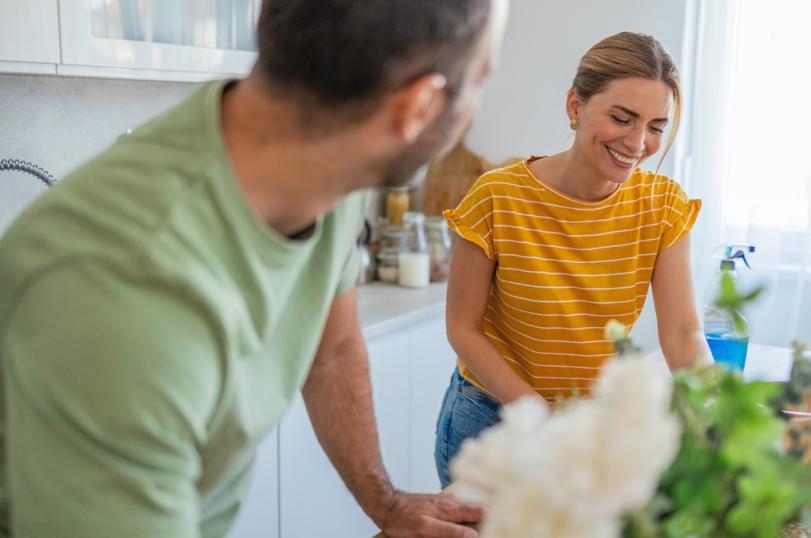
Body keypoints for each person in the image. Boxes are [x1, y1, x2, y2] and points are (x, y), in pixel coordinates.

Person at [0, 0, 508, 536]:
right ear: (419, 106)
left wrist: (387, 506)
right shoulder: (121, 294)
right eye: (481, 79)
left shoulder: (328, 165)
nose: (474, 110)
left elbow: (331, 352)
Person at [435, 32, 710, 488]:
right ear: (575, 106)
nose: (638, 142)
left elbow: (683, 335)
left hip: (586, 427)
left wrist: (716, 408)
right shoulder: (497, 196)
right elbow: (462, 329)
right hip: (492, 422)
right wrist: (539, 416)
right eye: (622, 118)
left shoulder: (663, 207)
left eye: (657, 126)